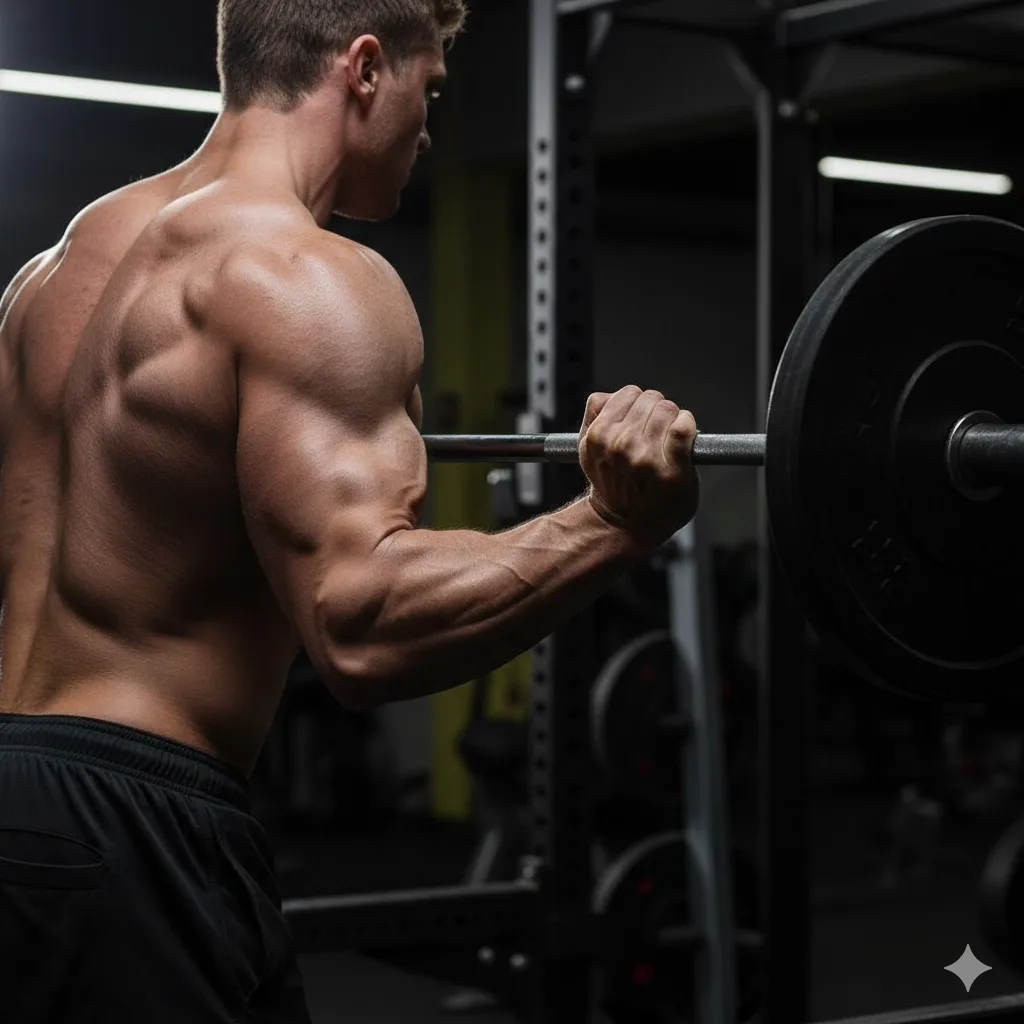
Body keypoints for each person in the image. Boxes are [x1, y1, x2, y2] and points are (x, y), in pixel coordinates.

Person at [0, 0, 700, 1019]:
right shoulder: (303, 275)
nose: (429, 128)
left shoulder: (51, 275)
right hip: (136, 826)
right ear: (366, 70)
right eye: (433, 90)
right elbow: (361, 625)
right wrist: (615, 522)